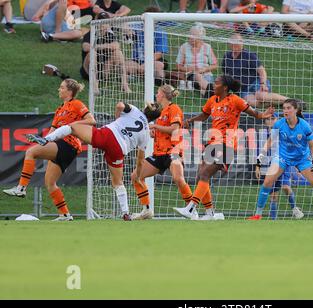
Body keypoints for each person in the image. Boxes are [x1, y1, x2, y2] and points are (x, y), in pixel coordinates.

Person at [26, 101, 155, 221]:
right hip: (119, 150)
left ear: (145, 109)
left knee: (72, 127)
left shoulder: (134, 110)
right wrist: (137, 175)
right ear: (153, 119)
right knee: (117, 182)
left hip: (108, 135)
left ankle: (47, 139)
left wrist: (117, 118)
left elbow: (120, 105)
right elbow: (140, 159)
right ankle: (125, 213)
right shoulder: (145, 132)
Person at [174, 75, 274, 221]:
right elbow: (204, 115)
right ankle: (210, 213)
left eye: (217, 83)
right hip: (212, 142)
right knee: (200, 176)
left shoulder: (235, 100)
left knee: (205, 174)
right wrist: (190, 120)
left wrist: (263, 115)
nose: (214, 85)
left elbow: (254, 113)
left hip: (227, 145)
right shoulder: (212, 100)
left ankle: (191, 208)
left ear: (225, 87)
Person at [3, 79, 96, 221]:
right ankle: (65, 214)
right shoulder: (59, 109)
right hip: (61, 144)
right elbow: (52, 131)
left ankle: (21, 188)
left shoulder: (76, 104)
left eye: (62, 87)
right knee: (50, 183)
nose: (59, 90)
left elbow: (91, 120)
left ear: (69, 91)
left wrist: (72, 125)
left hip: (69, 144)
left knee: (31, 152)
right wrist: (41, 140)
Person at [247, 99, 313, 221]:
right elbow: (270, 141)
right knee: (267, 182)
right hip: (283, 157)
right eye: (284, 108)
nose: (285, 111)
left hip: (302, 159)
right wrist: (260, 158)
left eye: (288, 108)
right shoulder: (279, 124)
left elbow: (312, 146)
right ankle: (257, 215)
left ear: (296, 110)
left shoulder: (304, 126)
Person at [129, 85, 193, 220]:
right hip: (158, 153)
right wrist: (154, 132)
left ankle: (191, 208)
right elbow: (163, 130)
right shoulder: (160, 111)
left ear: (163, 94)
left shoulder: (174, 108)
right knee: (136, 176)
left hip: (173, 151)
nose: (156, 95)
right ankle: (146, 210)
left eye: (157, 93)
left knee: (178, 178)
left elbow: (174, 129)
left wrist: (155, 126)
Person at [255, 112, 304, 220]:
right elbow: (261, 152)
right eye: (268, 119)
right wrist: (258, 165)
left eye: (273, 118)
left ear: (277, 120)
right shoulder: (262, 135)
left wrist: (297, 167)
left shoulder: (283, 132)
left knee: (286, 187)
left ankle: (294, 208)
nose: (270, 121)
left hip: (284, 164)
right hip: (270, 166)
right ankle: (274, 220)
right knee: (273, 195)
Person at [222, 33, 289, 108]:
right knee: (252, 103)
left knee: (261, 97)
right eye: (235, 42)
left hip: (256, 82)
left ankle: (291, 101)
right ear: (230, 44)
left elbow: (262, 71)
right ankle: (278, 103)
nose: (238, 44)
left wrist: (263, 84)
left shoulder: (249, 55)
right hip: (243, 89)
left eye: (240, 42)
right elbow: (226, 74)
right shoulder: (227, 56)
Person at [81, 12, 131, 94]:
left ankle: (124, 84)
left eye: (105, 22)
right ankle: (95, 85)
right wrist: (104, 46)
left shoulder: (110, 35)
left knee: (118, 53)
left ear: (109, 24)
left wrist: (97, 46)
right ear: (96, 22)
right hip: (88, 71)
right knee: (92, 53)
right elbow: (85, 47)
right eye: (101, 21)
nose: (103, 24)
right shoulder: (90, 34)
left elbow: (116, 46)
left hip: (104, 70)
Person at [125, 6, 168, 86]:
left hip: (153, 60)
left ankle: (160, 81)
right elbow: (125, 24)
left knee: (159, 65)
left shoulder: (160, 32)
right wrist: (127, 30)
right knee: (125, 65)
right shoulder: (137, 28)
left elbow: (159, 53)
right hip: (136, 61)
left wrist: (146, 63)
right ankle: (134, 77)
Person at [175, 23, 218, 98]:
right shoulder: (184, 47)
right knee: (198, 76)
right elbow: (178, 66)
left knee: (203, 87)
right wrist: (189, 69)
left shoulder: (207, 47)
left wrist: (205, 69)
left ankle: (208, 94)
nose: (191, 37)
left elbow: (215, 65)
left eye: (194, 35)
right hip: (190, 75)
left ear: (201, 37)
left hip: (206, 74)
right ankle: (214, 92)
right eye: (190, 35)